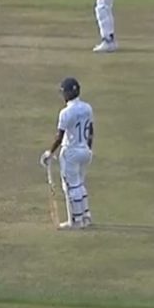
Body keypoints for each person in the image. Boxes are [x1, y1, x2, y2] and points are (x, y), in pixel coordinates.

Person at [40, 78, 95, 229]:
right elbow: (91, 131)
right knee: (80, 184)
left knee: (72, 187)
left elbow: (59, 136)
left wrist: (50, 152)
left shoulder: (65, 113)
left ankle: (76, 221)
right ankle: (86, 216)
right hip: (85, 151)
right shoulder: (87, 108)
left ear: (67, 93)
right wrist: (88, 148)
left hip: (71, 152)